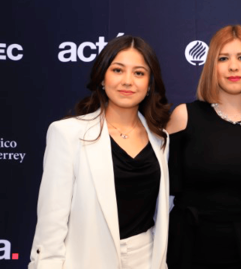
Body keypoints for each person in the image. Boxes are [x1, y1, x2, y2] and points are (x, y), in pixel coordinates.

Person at [29, 35, 171, 269]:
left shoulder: (160, 139)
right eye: (117, 70)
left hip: (146, 259)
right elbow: (51, 222)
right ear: (102, 78)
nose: (127, 81)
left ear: (149, 85)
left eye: (139, 73)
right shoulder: (67, 133)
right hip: (87, 260)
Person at [166, 25, 241, 269]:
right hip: (190, 244)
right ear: (212, 65)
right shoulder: (183, 116)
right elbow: (162, 192)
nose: (234, 67)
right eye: (223, 58)